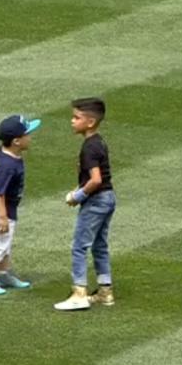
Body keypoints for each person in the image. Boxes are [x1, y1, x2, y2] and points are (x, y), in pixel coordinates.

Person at [55, 97, 115, 311]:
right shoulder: (99, 141)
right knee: (100, 246)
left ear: (90, 122)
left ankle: (79, 292)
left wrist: (77, 196)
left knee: (80, 246)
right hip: (108, 198)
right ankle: (105, 291)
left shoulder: (89, 147)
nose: (72, 121)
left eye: (76, 117)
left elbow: (96, 179)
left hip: (97, 199)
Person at [0, 115, 39, 295]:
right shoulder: (6, 165)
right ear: (17, 141)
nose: (31, 137)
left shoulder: (11, 155)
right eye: (28, 134)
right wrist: (2, 217)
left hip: (7, 208)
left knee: (5, 243)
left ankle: (3, 274)